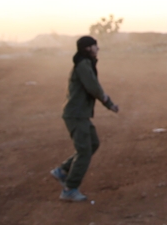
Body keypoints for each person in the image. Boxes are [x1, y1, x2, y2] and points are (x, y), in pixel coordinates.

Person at [51, 35, 119, 202]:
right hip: (76, 115)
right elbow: (93, 87)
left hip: (80, 114)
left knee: (93, 143)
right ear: (88, 48)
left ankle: (63, 170)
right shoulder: (83, 65)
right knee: (84, 152)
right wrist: (108, 103)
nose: (98, 49)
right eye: (95, 46)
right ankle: (69, 188)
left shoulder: (85, 63)